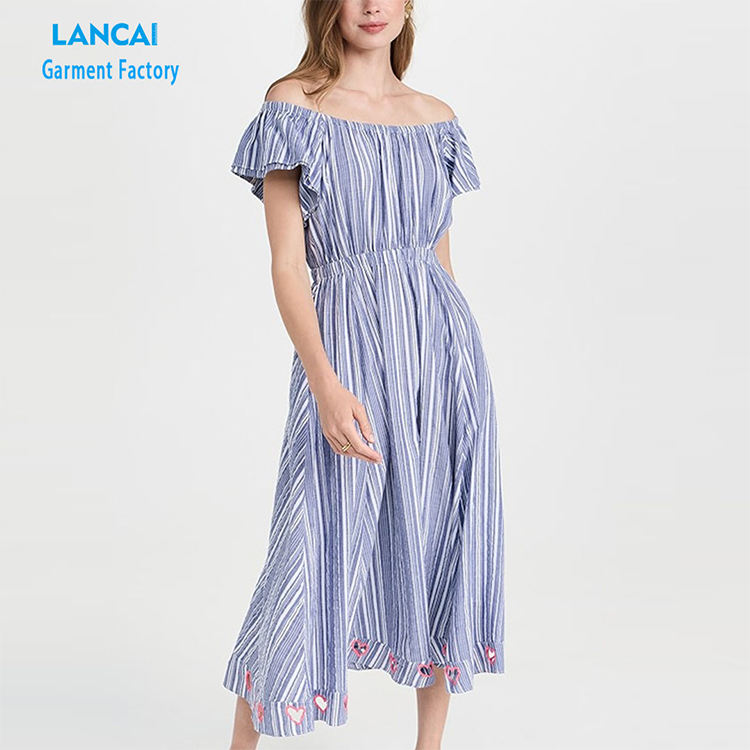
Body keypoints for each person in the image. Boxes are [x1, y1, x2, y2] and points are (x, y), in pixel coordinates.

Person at [222, 1, 504, 746]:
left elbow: (439, 260)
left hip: (442, 358)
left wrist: (459, 379)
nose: (373, 5)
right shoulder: (294, 107)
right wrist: (324, 382)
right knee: (307, 546)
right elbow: (289, 266)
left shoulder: (436, 119)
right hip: (344, 352)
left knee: (443, 538)